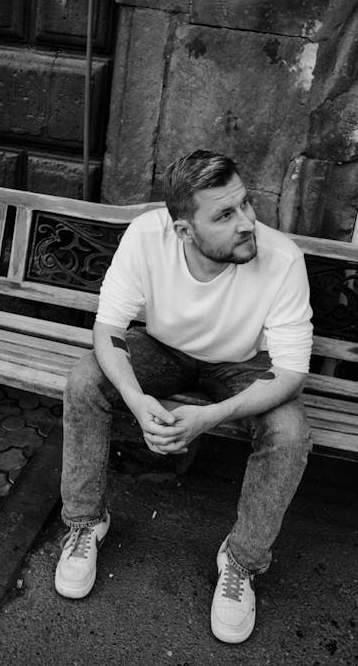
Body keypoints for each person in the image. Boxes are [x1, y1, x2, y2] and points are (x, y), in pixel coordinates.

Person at [54, 150, 313, 644]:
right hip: (165, 349)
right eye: (225, 214)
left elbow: (290, 372)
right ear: (184, 230)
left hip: (243, 364)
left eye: (246, 204)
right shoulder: (148, 237)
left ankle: (242, 561)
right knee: (87, 380)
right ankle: (85, 524)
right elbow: (109, 327)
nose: (247, 223)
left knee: (291, 431)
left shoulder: (281, 259)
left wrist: (209, 416)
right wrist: (134, 397)